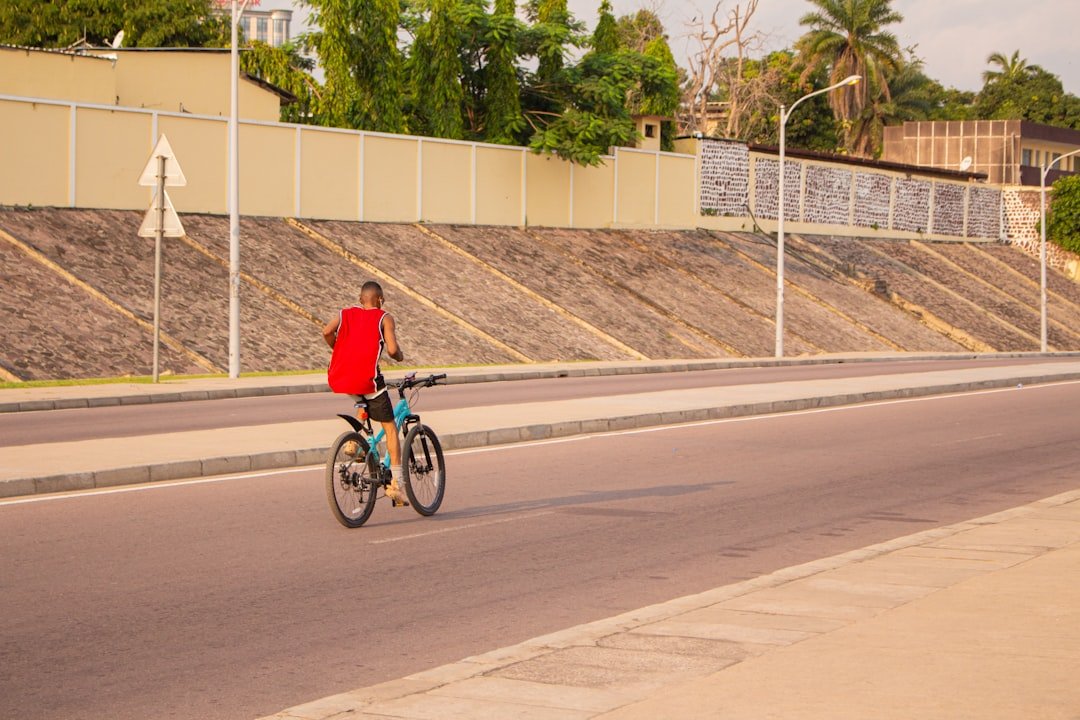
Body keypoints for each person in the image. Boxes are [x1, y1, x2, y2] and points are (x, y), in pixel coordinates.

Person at [323, 281, 408, 506]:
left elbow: (327, 331)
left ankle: (356, 444)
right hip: (367, 380)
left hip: (340, 378)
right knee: (390, 428)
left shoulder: (345, 313)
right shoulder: (384, 317)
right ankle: (397, 485)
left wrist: (338, 348)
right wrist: (399, 356)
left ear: (361, 300)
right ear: (380, 299)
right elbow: (392, 350)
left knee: (362, 400)